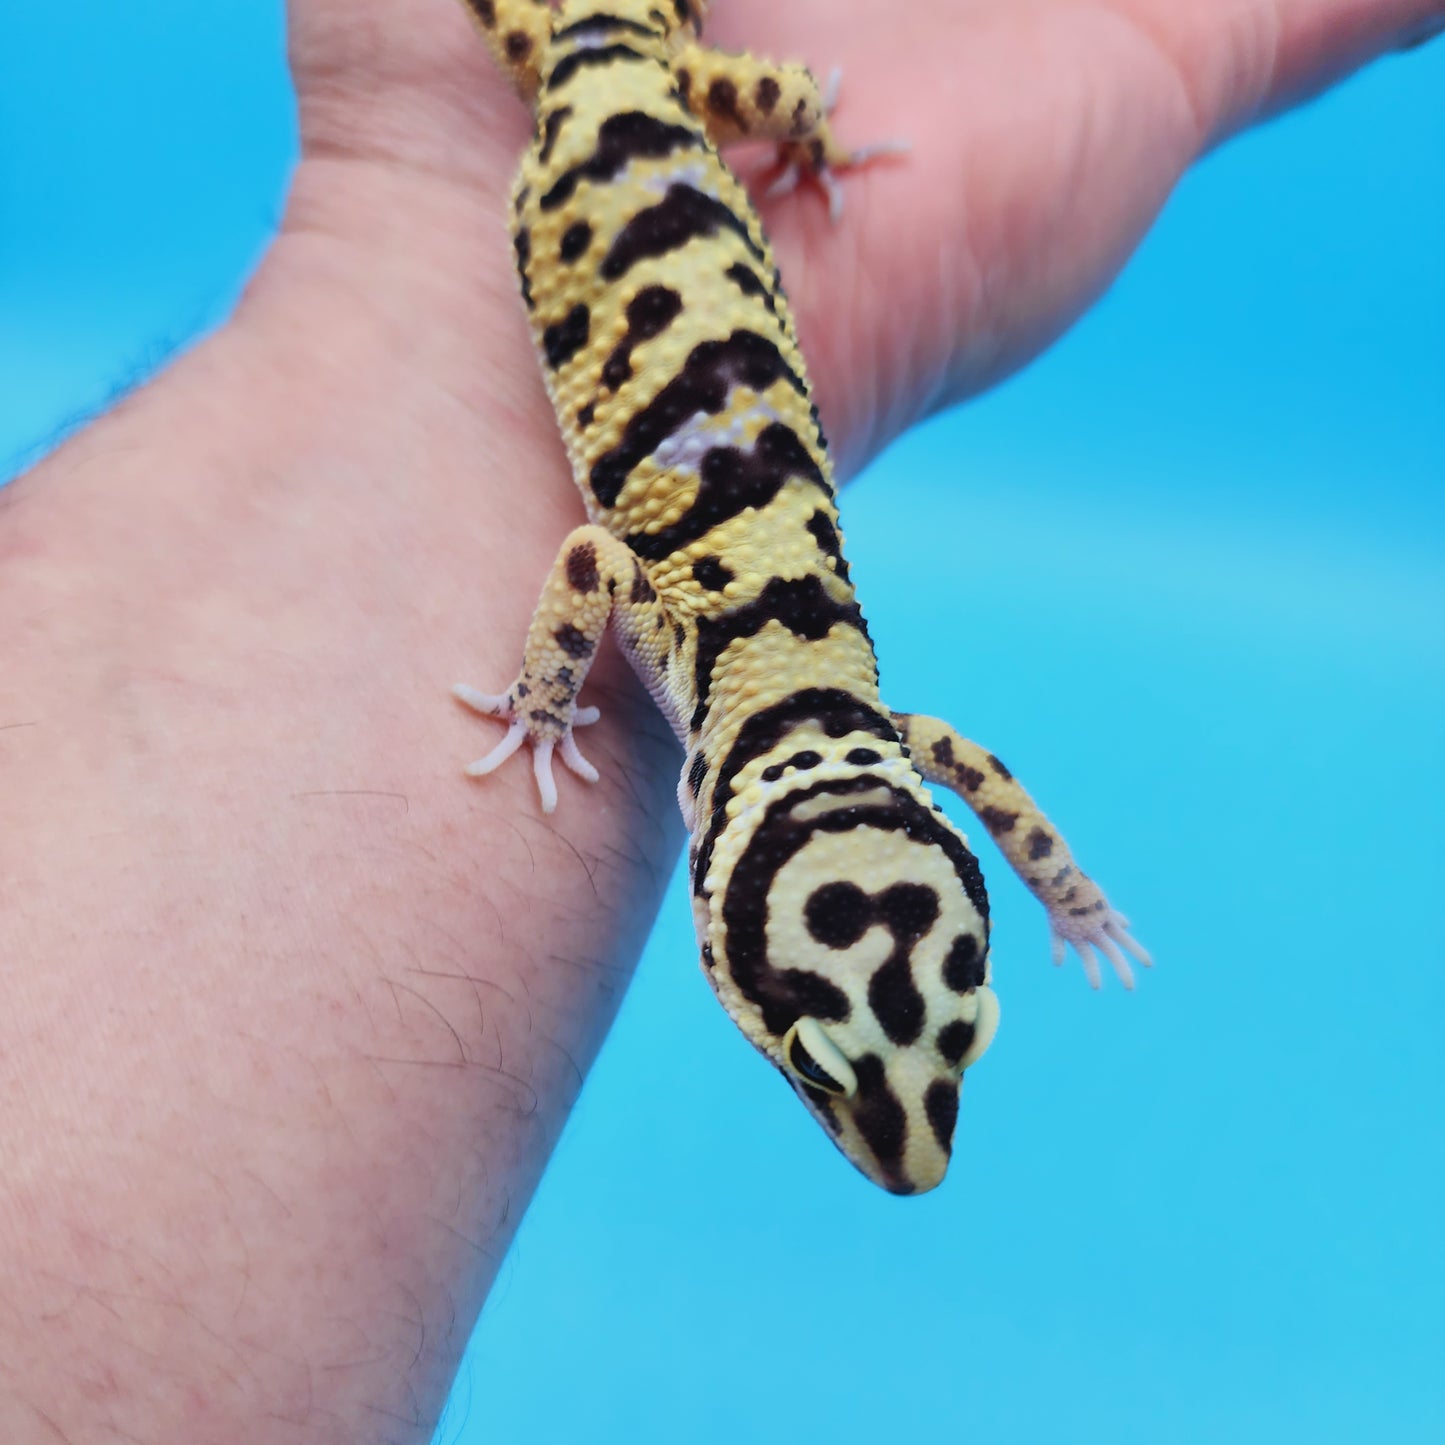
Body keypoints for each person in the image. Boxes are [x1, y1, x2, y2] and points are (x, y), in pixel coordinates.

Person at [1, 0, 1438, 1437]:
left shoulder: (885, 732)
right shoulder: (745, 681)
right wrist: (542, 697)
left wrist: (1056, 892)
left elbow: (958, 762)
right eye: (853, 1063)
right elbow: (598, 563)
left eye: (933, 1044)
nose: (907, 1144)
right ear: (712, 918)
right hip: (593, 137)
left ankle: (781, 107)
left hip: (666, 121)